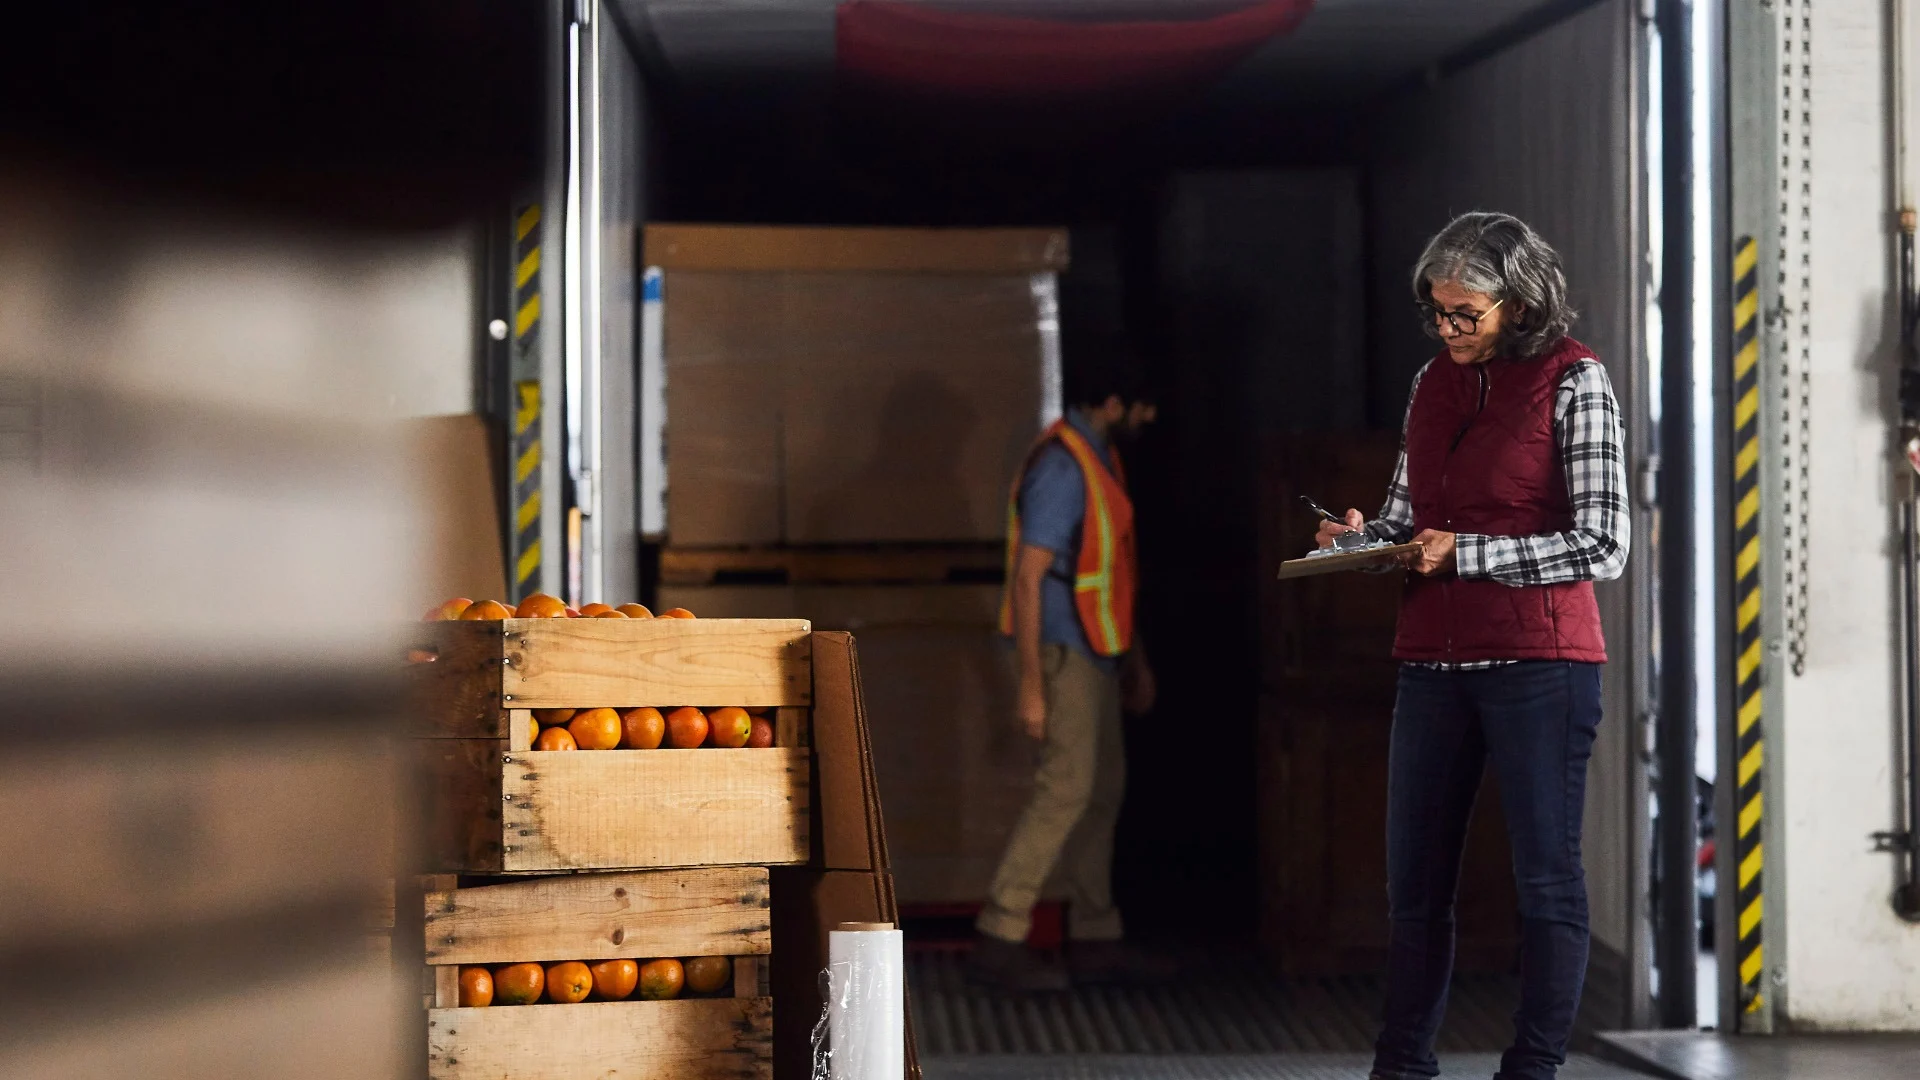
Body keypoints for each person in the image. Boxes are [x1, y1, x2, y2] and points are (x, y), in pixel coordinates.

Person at [1314, 212, 1629, 1080]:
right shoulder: (1431, 383)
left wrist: (1468, 554)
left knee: (1546, 883)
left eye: (1466, 314)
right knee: (1414, 890)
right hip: (1432, 665)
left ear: (1519, 303)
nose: (1447, 330)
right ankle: (1401, 1067)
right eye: (1437, 312)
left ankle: (1531, 1069)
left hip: (1542, 666)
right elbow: (1406, 519)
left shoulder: (1576, 381)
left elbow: (1604, 544)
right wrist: (1359, 541)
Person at [967, 365, 1163, 993]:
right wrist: (1030, 685)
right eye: (1143, 406)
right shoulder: (1063, 465)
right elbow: (1029, 579)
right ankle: (1000, 933)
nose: (1150, 418)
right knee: (1066, 789)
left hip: (1098, 649)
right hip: (1062, 651)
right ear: (1114, 401)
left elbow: (1113, 570)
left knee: (1102, 789)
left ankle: (1095, 935)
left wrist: (1133, 660)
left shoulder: (1099, 457)